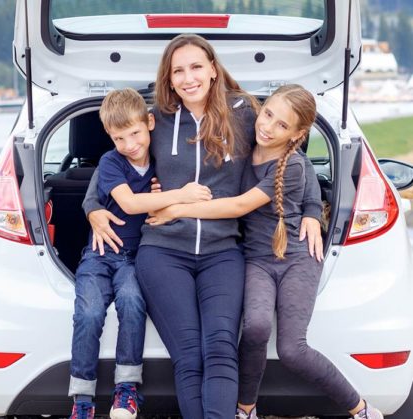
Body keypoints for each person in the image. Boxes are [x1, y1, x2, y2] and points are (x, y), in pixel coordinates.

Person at [83, 34, 323, 419]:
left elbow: (291, 156)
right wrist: (93, 207)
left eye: (196, 66)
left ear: (213, 69)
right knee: (190, 353)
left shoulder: (245, 113)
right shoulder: (156, 119)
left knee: (221, 348)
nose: (188, 77)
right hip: (162, 252)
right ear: (169, 77)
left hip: (223, 252)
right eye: (178, 70)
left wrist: (312, 207)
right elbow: (115, 161)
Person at [146, 84, 383, 419]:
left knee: (291, 349)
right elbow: (203, 167)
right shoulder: (246, 143)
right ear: (261, 109)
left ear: (298, 134)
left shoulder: (293, 166)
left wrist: (176, 210)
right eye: (268, 114)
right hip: (256, 259)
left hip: (297, 259)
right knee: (255, 328)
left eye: (282, 125)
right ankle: (246, 408)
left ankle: (360, 409)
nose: (268, 127)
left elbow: (241, 204)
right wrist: (164, 189)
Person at [69, 88, 212, 419]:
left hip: (136, 256)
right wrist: (180, 195)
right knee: (89, 314)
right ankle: (82, 399)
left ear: (149, 123)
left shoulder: (163, 160)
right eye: (119, 138)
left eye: (134, 134)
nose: (129, 144)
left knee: (133, 304)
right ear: (109, 137)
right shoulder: (110, 162)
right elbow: (131, 204)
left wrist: (167, 196)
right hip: (99, 255)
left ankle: (127, 390)